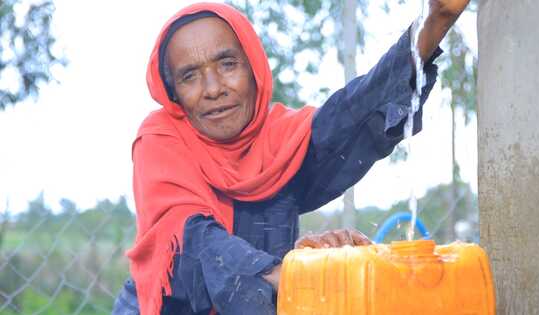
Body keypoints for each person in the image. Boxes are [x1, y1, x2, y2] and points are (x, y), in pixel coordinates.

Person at [112, 1, 470, 314]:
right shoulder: (161, 141)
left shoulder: (280, 142)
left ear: (254, 68)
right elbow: (193, 241)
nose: (213, 88)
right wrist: (287, 274)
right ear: (173, 92)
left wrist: (434, 22)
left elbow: (347, 119)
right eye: (189, 76)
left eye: (227, 64)